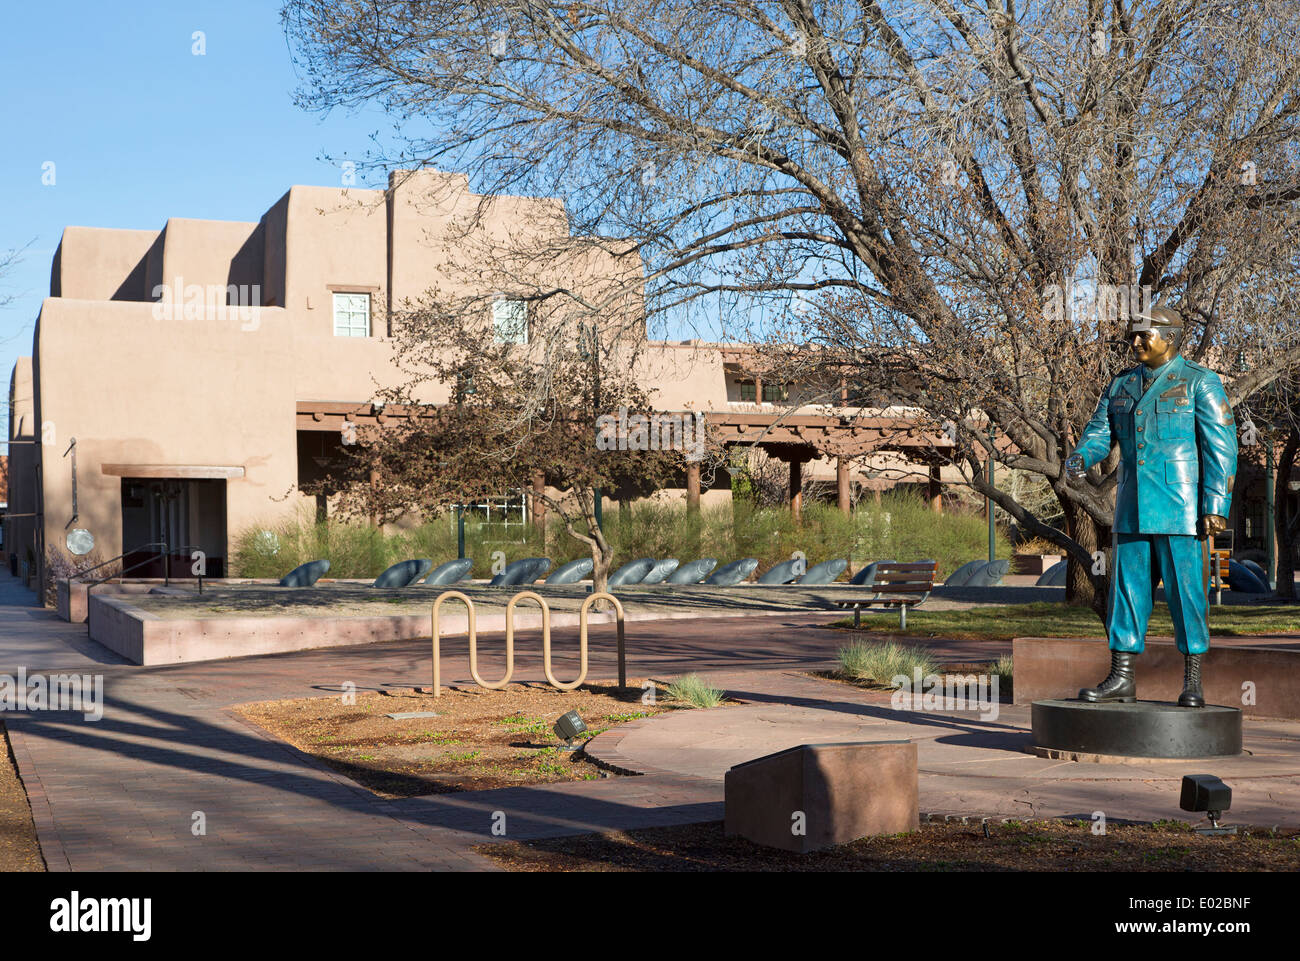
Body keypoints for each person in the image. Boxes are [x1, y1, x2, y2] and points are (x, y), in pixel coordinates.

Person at [1065, 307, 1237, 708]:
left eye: (1145, 335)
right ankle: (1122, 677)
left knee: (1187, 594)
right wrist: (1080, 457)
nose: (1136, 342)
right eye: (1133, 335)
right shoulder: (1121, 384)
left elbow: (1222, 448)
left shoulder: (1200, 383)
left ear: (1171, 337)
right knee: (1127, 593)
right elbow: (1099, 432)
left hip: (1182, 511)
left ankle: (1192, 679)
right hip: (1131, 508)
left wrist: (1215, 504)